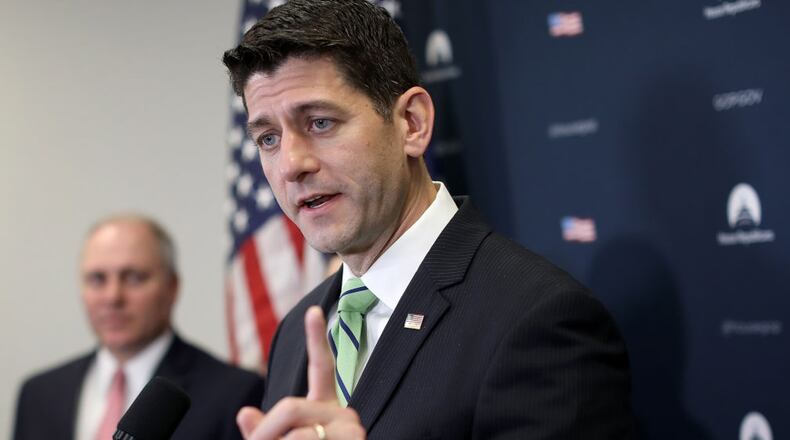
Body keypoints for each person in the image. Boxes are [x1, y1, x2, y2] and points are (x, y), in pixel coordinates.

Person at [222, 0, 633, 438]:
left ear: (412, 124)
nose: (291, 164)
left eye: (320, 123)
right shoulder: (299, 331)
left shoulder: (536, 318)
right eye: (268, 138)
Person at [13, 215, 265, 440]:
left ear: (172, 287)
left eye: (134, 277)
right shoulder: (38, 394)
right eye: (98, 279)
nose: (113, 297)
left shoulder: (234, 393)